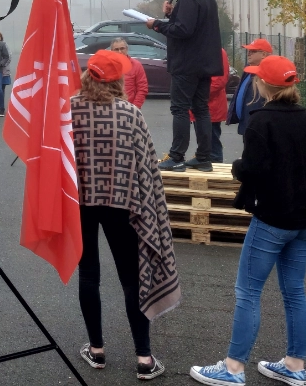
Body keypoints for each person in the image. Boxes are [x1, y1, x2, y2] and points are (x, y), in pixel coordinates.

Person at [190, 55, 306, 386]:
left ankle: (233, 369)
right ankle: (295, 365)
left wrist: (238, 167)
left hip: (273, 220)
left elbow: (253, 168)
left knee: (248, 292)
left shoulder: (261, 121)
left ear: (262, 84)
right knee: (294, 291)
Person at [71, 49, 178, 381]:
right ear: (118, 79)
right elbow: (147, 167)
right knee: (132, 279)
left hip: (81, 203)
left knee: (89, 275)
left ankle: (97, 350)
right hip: (124, 205)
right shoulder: (130, 114)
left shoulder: (70, 111)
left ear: (88, 75)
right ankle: (144, 358)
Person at [146, 0, 223, 173]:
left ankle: (177, 156)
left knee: (180, 109)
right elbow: (192, 28)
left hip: (187, 65)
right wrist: (171, 15)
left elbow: (183, 30)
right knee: (200, 109)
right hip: (204, 63)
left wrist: (157, 24)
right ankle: (203, 157)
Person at [227, 38, 272, 138]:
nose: (248, 54)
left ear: (264, 54)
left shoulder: (267, 74)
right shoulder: (248, 70)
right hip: (247, 123)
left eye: (253, 51)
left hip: (258, 127)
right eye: (248, 51)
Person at [109, 38, 149, 109]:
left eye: (122, 48)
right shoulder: (107, 65)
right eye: (116, 49)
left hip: (129, 107)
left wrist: (134, 107)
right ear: (111, 51)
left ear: (127, 49)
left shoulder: (136, 65)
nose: (120, 52)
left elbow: (142, 89)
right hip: (110, 107)